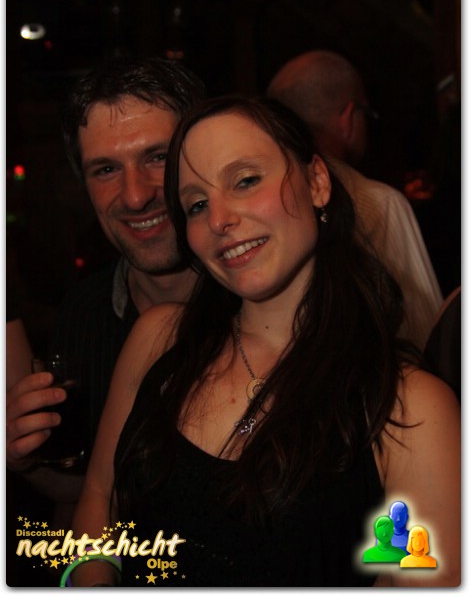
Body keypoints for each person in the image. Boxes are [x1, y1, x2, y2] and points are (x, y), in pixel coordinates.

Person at [72, 96, 460, 587]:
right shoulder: (159, 342)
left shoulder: (410, 408)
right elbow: (98, 496)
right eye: (197, 204)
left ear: (317, 182)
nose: (218, 219)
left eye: (245, 181)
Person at [6, 58, 205, 524]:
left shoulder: (266, 305)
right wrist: (28, 460)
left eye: (157, 158)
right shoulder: (84, 313)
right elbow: (95, 491)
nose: (135, 195)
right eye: (106, 169)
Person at [267, 50, 443, 350]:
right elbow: (426, 336)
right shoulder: (381, 203)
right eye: (367, 115)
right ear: (348, 117)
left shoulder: (261, 202)